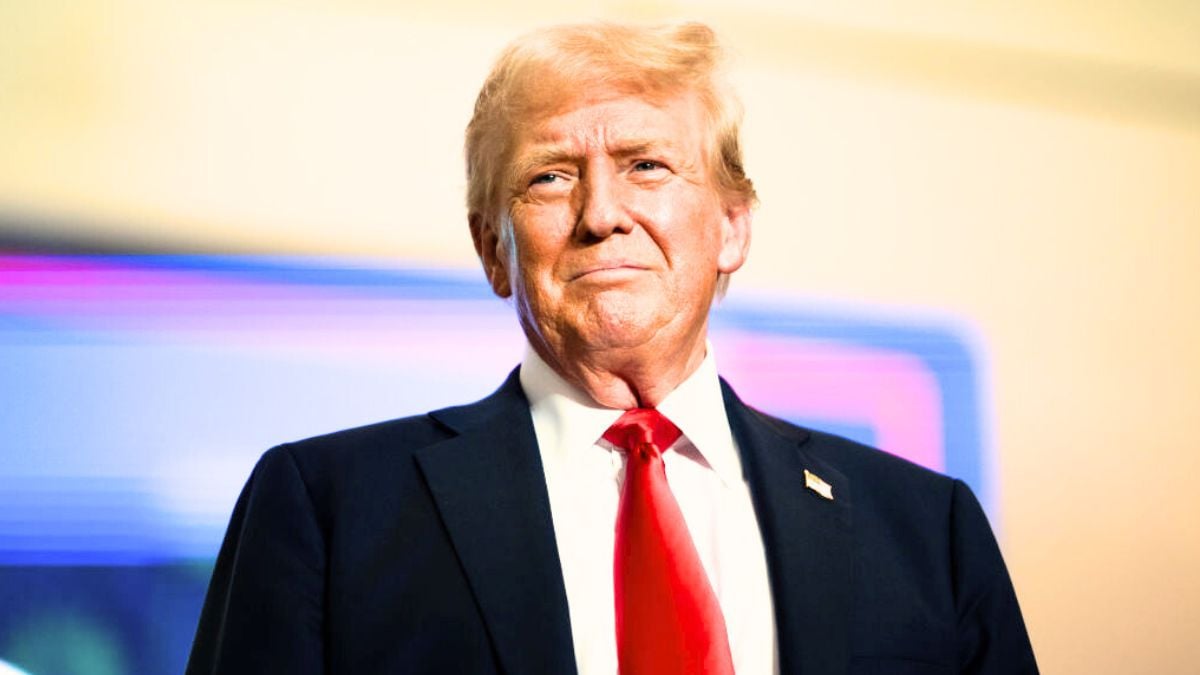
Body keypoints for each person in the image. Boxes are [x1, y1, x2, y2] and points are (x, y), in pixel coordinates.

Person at [186, 21, 1038, 675]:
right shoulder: (327, 510)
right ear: (493, 249)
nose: (601, 214)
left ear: (732, 227)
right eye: (550, 176)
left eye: (647, 166)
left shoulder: (928, 530)